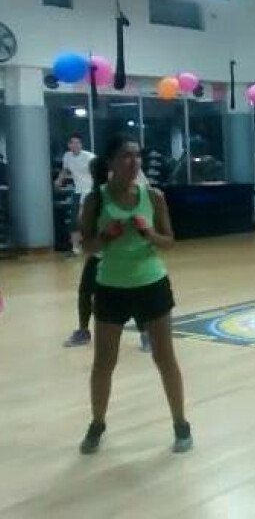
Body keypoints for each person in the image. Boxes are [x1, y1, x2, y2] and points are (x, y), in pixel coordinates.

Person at [77, 134, 191, 455]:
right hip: (110, 287)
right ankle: (97, 423)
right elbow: (86, 247)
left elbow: (169, 242)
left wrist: (148, 233)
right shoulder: (95, 200)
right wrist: (105, 235)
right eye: (126, 156)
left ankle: (181, 423)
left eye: (137, 155)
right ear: (111, 161)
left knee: (165, 358)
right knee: (104, 362)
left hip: (151, 284)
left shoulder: (153, 197)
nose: (134, 162)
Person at [64, 160, 151, 351]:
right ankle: (83, 331)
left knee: (132, 294)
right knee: (85, 291)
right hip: (99, 254)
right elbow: (85, 223)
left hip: (122, 254)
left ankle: (146, 334)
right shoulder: (93, 195)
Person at [55, 134, 95, 256]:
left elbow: (99, 171)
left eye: (78, 143)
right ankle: (75, 248)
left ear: (81, 145)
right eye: (73, 143)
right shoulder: (67, 156)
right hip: (77, 190)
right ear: (69, 145)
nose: (75, 145)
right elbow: (65, 170)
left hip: (89, 190)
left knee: (83, 218)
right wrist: (59, 180)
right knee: (74, 220)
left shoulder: (89, 157)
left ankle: (92, 245)